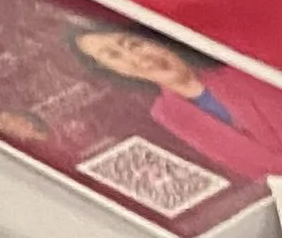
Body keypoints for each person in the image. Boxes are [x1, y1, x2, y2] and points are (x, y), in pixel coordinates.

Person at [68, 26, 282, 182]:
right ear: (114, 71)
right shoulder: (167, 116)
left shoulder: (235, 63)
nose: (136, 58)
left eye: (135, 44)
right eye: (115, 56)